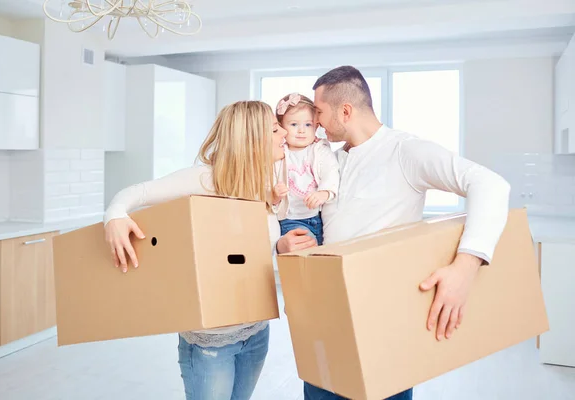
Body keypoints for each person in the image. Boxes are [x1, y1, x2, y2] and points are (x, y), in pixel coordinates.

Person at [303, 66, 511, 400]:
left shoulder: (405, 151)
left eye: (319, 112)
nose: (315, 121)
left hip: (384, 321)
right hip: (327, 317)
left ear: (345, 111)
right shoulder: (330, 161)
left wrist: (465, 267)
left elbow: (491, 184)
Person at [103, 101, 317, 400]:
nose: (284, 132)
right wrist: (114, 216)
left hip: (256, 329)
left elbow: (242, 255)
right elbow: (137, 193)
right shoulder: (205, 178)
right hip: (210, 340)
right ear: (251, 138)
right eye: (273, 128)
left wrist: (280, 245)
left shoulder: (262, 184)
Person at [272, 92, 340, 245]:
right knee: (306, 248)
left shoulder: (319, 149)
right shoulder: (280, 153)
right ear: (282, 127)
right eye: (294, 124)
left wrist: (325, 192)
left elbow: (331, 171)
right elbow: (271, 179)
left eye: (307, 124)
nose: (301, 130)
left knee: (324, 253)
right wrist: (275, 194)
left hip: (318, 218)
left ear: (316, 126)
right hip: (291, 220)